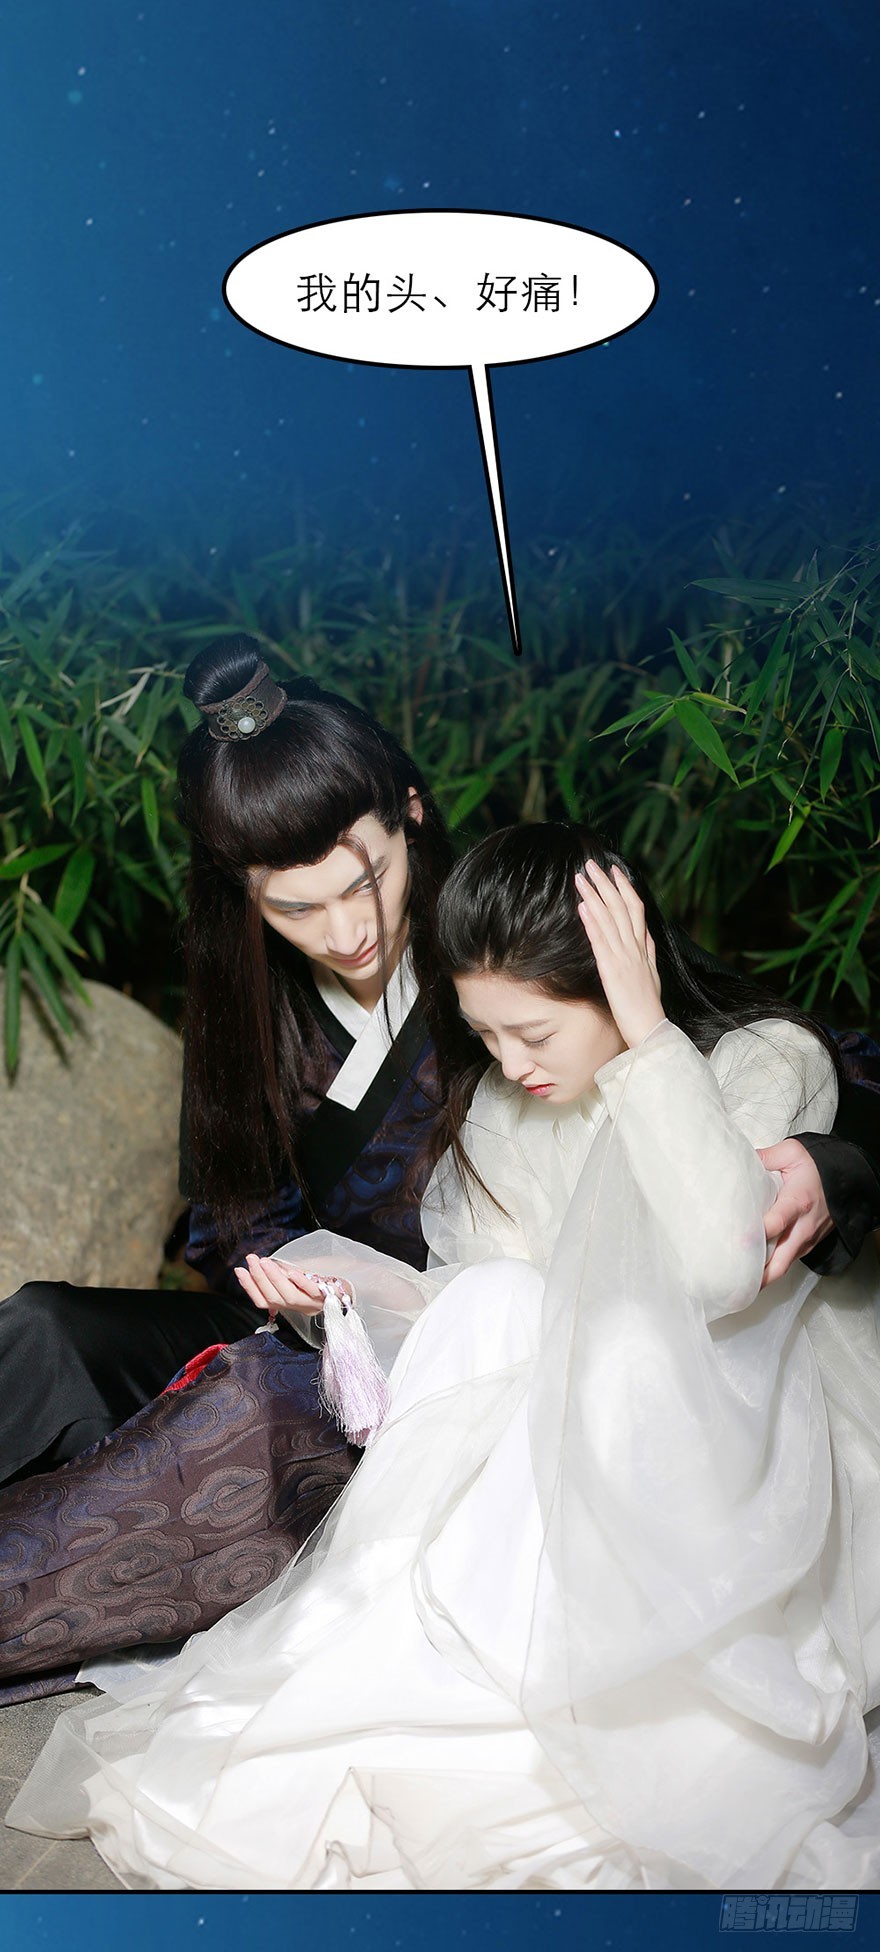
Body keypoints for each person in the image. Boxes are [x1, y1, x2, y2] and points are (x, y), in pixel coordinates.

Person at [8, 824, 879, 1890]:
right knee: (497, 1300)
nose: (509, 1064)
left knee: (614, 1343)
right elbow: (487, 1303)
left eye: (533, 1031)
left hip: (730, 1442)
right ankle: (456, 1647)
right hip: (572, 1438)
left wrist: (649, 1040)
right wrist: (356, 1288)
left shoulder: (764, 1061)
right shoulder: (509, 1106)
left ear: (620, 975)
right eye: (485, 1033)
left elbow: (715, 1270)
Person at [0, 642, 877, 1698]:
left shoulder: (503, 936)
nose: (347, 931)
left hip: (461, 1352)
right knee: (47, 1327)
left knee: (250, 1414)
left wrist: (835, 1162)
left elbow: (745, 1046)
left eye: (364, 880)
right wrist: (297, 1284)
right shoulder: (246, 1007)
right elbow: (232, 1220)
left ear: (410, 811)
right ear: (244, 894)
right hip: (325, 1317)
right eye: (294, 909)